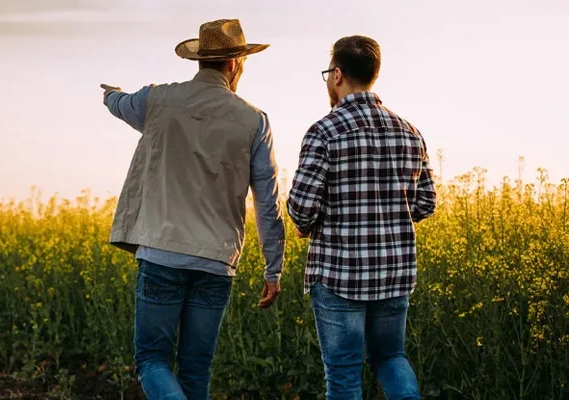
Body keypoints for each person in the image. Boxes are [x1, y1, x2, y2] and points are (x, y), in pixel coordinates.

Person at [100, 19, 285, 400]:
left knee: (152, 361)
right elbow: (267, 201)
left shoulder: (157, 100)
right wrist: (273, 268)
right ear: (234, 64)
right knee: (196, 370)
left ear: (200, 60)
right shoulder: (254, 120)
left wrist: (111, 95)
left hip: (162, 253)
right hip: (216, 262)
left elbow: (120, 104)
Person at [286, 35, 436, 400]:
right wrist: (389, 217)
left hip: (340, 276)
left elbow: (301, 207)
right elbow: (426, 203)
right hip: (395, 273)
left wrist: (311, 224)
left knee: (343, 375)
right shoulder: (409, 132)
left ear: (337, 75)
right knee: (391, 358)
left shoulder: (324, 132)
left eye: (327, 74)